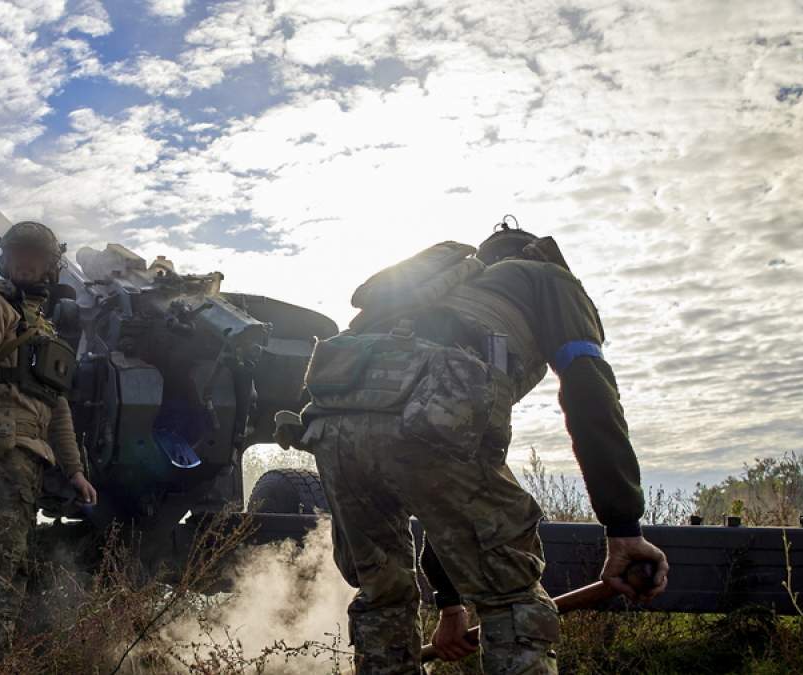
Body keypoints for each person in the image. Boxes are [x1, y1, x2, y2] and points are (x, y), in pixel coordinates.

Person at [280, 223, 669, 674]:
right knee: (512, 600)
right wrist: (623, 525)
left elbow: (442, 500)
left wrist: (449, 606)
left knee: (382, 597)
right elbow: (590, 393)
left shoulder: (427, 294)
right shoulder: (548, 280)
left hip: (332, 431)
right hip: (428, 427)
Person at [0, 220, 98, 650]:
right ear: (4, 261)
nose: (26, 264)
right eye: (18, 256)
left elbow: (56, 406)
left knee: (14, 571)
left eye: (36, 257)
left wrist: (75, 472)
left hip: (28, 461)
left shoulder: (42, 329)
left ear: (51, 267)